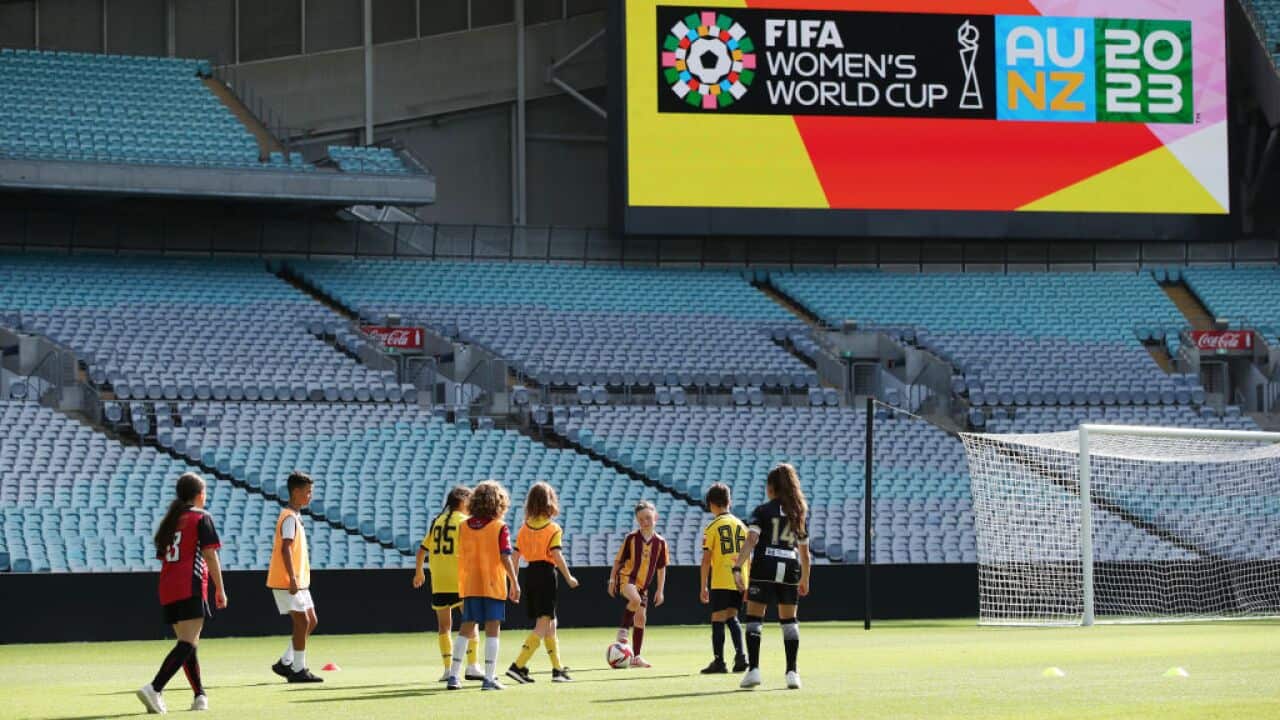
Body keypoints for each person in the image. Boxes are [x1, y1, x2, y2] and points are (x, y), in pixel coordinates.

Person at [137, 472, 227, 714]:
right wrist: (220, 587)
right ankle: (154, 688)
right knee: (187, 642)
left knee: (188, 643)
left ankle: (200, 696)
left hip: (168, 586)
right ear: (199, 495)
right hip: (191, 583)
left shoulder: (171, 520)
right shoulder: (201, 517)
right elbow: (209, 554)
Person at [733, 463, 810, 690]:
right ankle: (792, 673)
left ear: (771, 487)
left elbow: (751, 541)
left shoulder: (762, 511)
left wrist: (738, 567)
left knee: (755, 619)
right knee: (789, 622)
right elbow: (805, 553)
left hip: (764, 565)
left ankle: (754, 670)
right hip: (789, 566)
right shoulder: (799, 513)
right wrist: (805, 578)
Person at [447, 480, 520, 691]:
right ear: (498, 503)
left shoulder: (464, 526)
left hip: (470, 583)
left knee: (466, 628)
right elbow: (505, 557)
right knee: (492, 630)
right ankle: (489, 678)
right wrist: (514, 582)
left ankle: (453, 676)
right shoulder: (499, 527)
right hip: (492, 583)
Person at [506, 482, 580, 684]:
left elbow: (514, 557)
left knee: (551, 624)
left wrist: (514, 583)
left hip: (530, 575)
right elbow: (556, 554)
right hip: (546, 574)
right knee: (543, 623)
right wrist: (568, 576)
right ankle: (518, 666)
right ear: (550, 503)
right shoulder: (553, 528)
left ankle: (557, 669)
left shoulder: (524, 528)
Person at [413, 486, 482, 682]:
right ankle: (473, 665)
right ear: (463, 501)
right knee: (471, 622)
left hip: (439, 581)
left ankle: (447, 669)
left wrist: (419, 572)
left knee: (444, 626)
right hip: (460, 580)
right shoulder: (465, 522)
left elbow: (421, 550)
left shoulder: (437, 522)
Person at [267, 471, 323, 683]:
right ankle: (298, 670)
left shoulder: (294, 516)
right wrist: (291, 577)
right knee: (303, 621)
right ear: (296, 492)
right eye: (307, 492)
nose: (310, 496)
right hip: (287, 580)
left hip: (297, 581)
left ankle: (285, 662)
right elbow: (285, 549)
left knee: (311, 621)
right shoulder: (289, 517)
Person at [607, 500, 667, 668]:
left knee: (641, 619)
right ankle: (623, 631)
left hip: (643, 586)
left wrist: (660, 590)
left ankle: (636, 657)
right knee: (635, 600)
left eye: (648, 518)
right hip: (627, 578)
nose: (645, 522)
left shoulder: (661, 543)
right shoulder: (631, 538)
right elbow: (618, 560)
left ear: (656, 517)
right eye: (641, 519)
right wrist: (612, 579)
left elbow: (661, 568)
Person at [699, 482, 749, 674]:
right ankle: (741, 656)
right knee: (732, 617)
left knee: (718, 619)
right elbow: (748, 558)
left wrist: (703, 586)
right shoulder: (741, 526)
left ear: (711, 504)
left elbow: (706, 560)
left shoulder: (713, 527)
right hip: (739, 579)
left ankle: (719, 661)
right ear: (729, 501)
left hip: (721, 578)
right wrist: (747, 583)